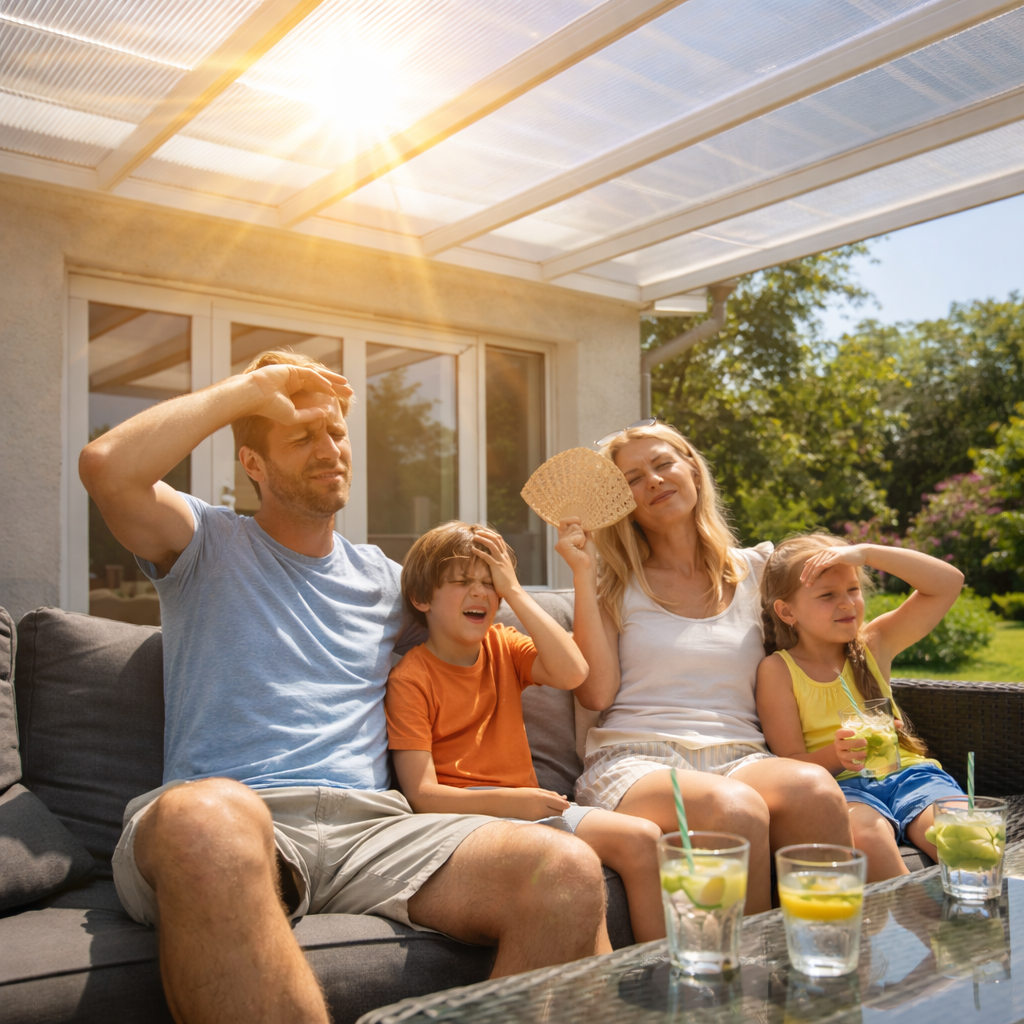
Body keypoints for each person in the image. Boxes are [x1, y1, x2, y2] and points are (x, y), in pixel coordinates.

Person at [79, 349, 610, 1024]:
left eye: (335, 433)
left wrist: (516, 583)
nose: (329, 448)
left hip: (372, 829)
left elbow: (544, 660)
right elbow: (106, 467)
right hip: (241, 823)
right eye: (301, 438)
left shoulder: (387, 583)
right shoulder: (203, 542)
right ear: (253, 466)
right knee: (201, 816)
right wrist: (252, 389)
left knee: (564, 869)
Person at [561, 421, 854, 914]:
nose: (652, 481)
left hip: (742, 756)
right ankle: (749, 982)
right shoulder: (612, 585)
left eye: (662, 464)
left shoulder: (759, 570)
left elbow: (838, 615)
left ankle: (830, 967)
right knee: (732, 807)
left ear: (693, 470)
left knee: (816, 791)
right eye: (632, 479)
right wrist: (583, 572)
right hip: (638, 760)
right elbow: (595, 695)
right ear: (622, 502)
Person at [385, 522, 665, 942]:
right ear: (422, 598)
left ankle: (664, 977)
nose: (480, 592)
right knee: (572, 870)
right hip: (469, 819)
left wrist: (514, 591)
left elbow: (573, 671)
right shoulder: (411, 678)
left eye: (490, 583)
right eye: (462, 582)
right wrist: (515, 803)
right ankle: (603, 998)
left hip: (534, 809)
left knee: (644, 838)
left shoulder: (503, 644)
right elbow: (421, 795)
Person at [755, 534, 965, 881]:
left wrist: (866, 553)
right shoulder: (778, 670)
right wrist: (838, 756)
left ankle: (981, 922)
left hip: (909, 776)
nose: (847, 604)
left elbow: (948, 583)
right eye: (827, 595)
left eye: (853, 589)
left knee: (963, 835)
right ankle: (921, 923)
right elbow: (789, 760)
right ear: (787, 611)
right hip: (842, 790)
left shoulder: (873, 644)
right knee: (868, 838)